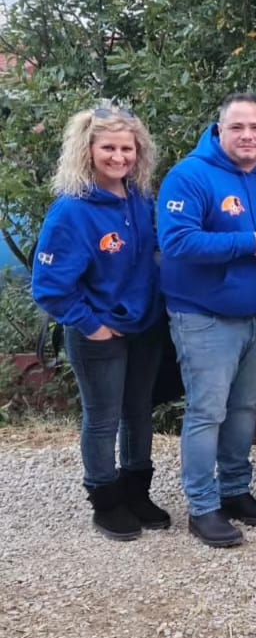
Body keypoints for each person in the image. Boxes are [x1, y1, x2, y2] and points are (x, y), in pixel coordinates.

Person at [158, 93, 256, 547]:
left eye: (255, 127)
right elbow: (177, 242)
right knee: (207, 411)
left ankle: (234, 490)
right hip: (204, 317)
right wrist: (249, 243)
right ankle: (202, 506)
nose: (247, 135)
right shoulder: (189, 176)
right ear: (219, 131)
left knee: (244, 410)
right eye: (237, 127)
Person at [32, 104, 168, 541]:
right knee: (103, 417)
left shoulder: (141, 200)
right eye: (108, 148)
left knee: (139, 413)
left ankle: (136, 490)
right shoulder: (71, 211)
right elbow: (49, 286)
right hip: (98, 331)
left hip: (144, 326)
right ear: (87, 150)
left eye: (127, 148)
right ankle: (105, 500)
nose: (119, 157)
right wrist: (91, 325)